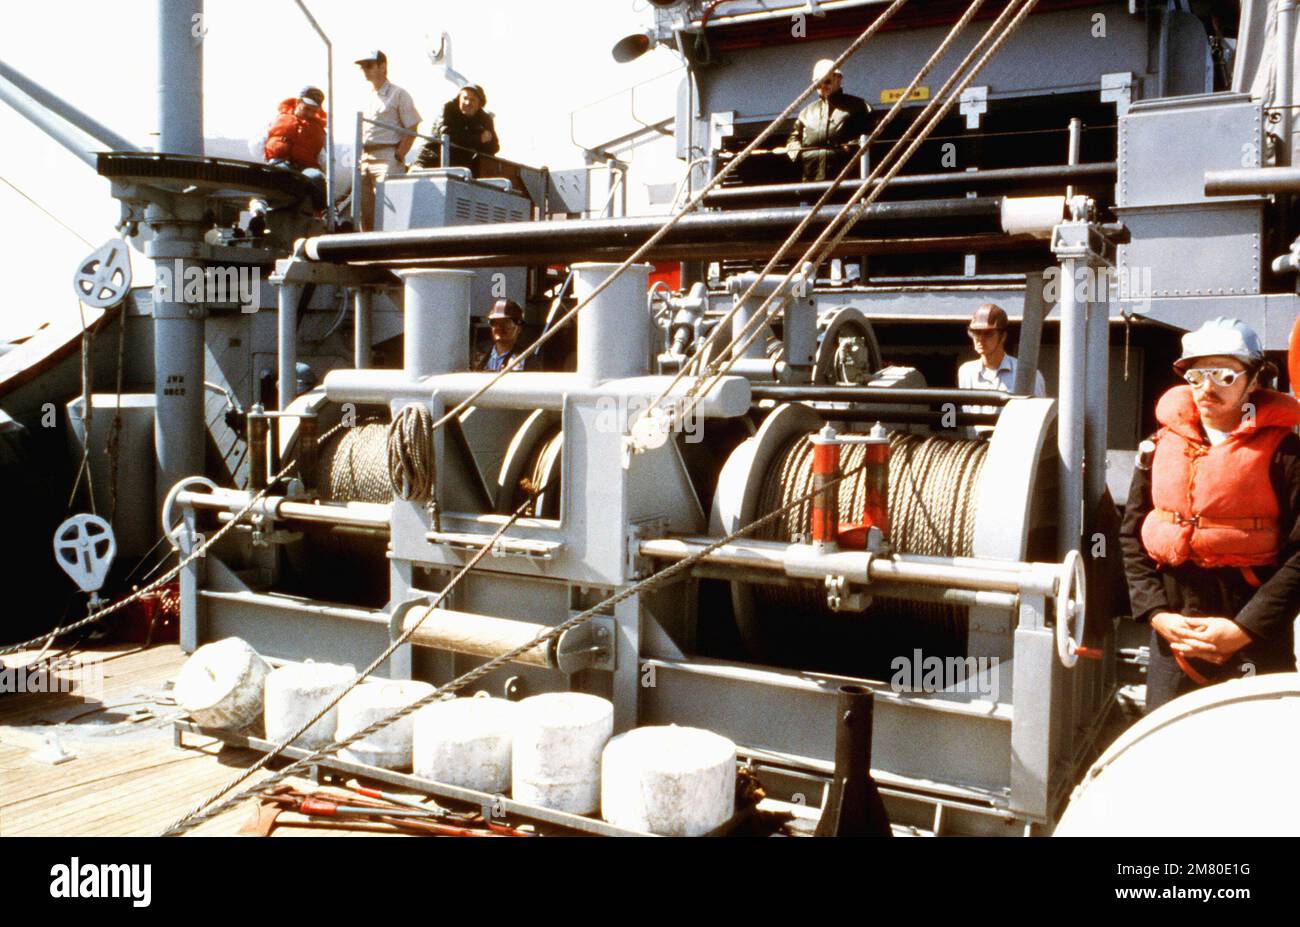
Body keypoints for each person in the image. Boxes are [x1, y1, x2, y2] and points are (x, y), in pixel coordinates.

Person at [1120, 317, 1300, 712]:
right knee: (1167, 746)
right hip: (1175, 635)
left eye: (1224, 375)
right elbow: (1131, 535)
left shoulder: (1287, 454)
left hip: (1255, 638)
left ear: (1253, 381)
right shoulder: (1156, 448)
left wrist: (1243, 629)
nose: (1207, 388)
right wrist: (1157, 615)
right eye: (1197, 376)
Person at [355, 50, 421, 231]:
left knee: (390, 209)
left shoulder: (399, 94)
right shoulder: (366, 96)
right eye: (362, 67)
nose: (364, 70)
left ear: (382, 66)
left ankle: (390, 251)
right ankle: (368, 252)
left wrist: (399, 154)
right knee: (365, 211)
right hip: (365, 157)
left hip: (387, 156)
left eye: (368, 66)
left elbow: (412, 126)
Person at [786, 59, 871, 182]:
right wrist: (800, 154)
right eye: (818, 83)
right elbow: (793, 139)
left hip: (847, 182)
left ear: (838, 79)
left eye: (826, 81)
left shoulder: (859, 106)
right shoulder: (806, 113)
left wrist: (852, 147)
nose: (822, 86)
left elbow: (873, 132)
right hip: (811, 181)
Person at [259, 86, 328, 210]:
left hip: (305, 169)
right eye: (306, 109)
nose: (310, 114)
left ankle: (324, 211)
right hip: (281, 163)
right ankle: (262, 202)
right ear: (298, 103)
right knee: (278, 172)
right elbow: (259, 143)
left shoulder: (319, 131)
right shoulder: (276, 120)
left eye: (313, 111)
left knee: (316, 177)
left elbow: (322, 157)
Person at [957, 303, 1046, 398]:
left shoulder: (1027, 374)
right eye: (976, 333)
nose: (980, 339)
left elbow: (1039, 410)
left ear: (1003, 336)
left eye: (988, 334)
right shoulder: (966, 371)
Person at [416, 84, 499, 177]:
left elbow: (494, 147)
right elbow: (447, 135)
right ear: (459, 99)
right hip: (431, 159)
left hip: (460, 165)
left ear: (480, 104)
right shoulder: (448, 108)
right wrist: (478, 139)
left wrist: (485, 141)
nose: (468, 103)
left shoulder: (485, 119)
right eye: (465, 98)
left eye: (472, 100)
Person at [474, 299, 528, 372]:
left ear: (519, 328)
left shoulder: (527, 359)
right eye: (494, 322)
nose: (498, 327)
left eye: (505, 322)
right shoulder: (478, 357)